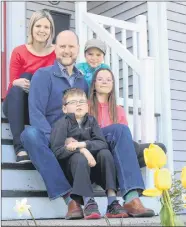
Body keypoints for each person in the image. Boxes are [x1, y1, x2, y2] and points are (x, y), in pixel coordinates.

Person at [20, 30, 88, 220]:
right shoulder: (42, 75)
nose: (67, 51)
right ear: (55, 49)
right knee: (30, 135)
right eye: (62, 46)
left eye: (71, 46)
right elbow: (35, 113)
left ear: (78, 50)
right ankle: (70, 199)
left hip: (76, 139)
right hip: (50, 138)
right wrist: (60, 139)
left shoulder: (83, 81)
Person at [50, 88, 129, 219]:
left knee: (105, 153)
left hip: (93, 168)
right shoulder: (62, 124)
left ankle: (112, 201)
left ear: (87, 106)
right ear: (64, 109)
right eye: (73, 102)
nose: (78, 104)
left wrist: (82, 145)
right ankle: (89, 202)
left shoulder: (91, 121)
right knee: (79, 158)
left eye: (82, 101)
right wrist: (82, 151)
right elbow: (57, 152)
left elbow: (102, 143)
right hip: (73, 170)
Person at [89, 68, 155, 217]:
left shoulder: (118, 110)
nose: (104, 81)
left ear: (113, 85)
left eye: (108, 79)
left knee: (156, 148)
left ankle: (131, 194)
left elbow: (123, 139)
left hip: (115, 150)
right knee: (122, 133)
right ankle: (131, 197)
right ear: (93, 84)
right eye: (100, 79)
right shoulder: (86, 106)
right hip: (97, 150)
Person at [3, 10, 56, 163]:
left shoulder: (56, 53)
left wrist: (36, 87)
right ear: (31, 28)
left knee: (35, 78)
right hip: (18, 105)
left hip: (40, 107)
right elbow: (13, 83)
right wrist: (15, 82)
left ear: (51, 30)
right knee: (25, 77)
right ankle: (19, 148)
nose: (42, 30)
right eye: (38, 25)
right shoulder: (19, 51)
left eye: (46, 27)